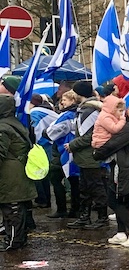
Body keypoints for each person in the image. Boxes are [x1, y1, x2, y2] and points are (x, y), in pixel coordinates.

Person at [93, 100, 129, 247]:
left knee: (114, 200)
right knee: (124, 200)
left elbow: (116, 142)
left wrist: (98, 153)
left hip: (125, 168)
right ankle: (121, 232)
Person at [65, 81, 107, 229]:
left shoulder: (89, 110)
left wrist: (72, 145)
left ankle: (102, 218)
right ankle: (85, 216)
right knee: (85, 188)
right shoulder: (86, 108)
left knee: (96, 188)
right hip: (85, 157)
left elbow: (89, 136)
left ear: (79, 93)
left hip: (90, 156)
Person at [0, 94, 38, 251]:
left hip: (10, 174)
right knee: (15, 208)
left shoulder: (3, 127)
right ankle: (16, 238)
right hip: (17, 170)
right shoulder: (16, 123)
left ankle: (14, 241)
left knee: (12, 209)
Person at [45, 91, 81, 219]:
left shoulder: (66, 115)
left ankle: (62, 209)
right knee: (75, 181)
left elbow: (51, 131)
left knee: (55, 178)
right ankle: (76, 209)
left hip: (64, 151)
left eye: (64, 100)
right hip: (76, 150)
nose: (62, 102)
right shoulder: (80, 113)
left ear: (72, 100)